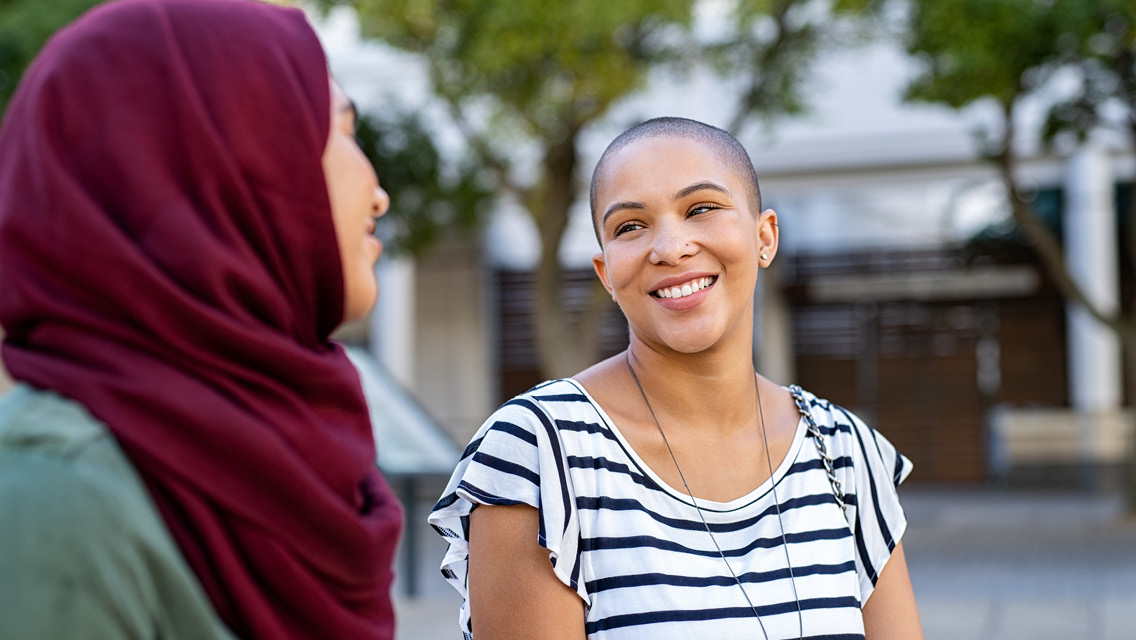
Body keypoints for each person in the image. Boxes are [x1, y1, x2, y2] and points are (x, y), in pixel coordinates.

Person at [429, 117, 924, 639]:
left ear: (764, 237)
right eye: (629, 226)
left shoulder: (846, 453)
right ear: (606, 274)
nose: (669, 246)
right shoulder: (540, 454)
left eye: (701, 209)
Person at [0, 0, 402, 637]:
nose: (378, 191)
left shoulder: (312, 458)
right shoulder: (50, 491)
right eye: (343, 132)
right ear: (237, 159)